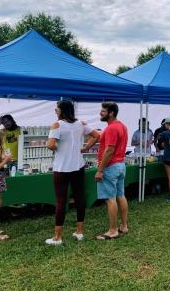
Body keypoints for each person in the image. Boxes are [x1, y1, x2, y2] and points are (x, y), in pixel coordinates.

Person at [45, 100, 100, 246]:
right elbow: (97, 135)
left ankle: (57, 237)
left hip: (62, 168)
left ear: (62, 110)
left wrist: (55, 146)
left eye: (57, 109)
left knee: (61, 201)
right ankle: (79, 232)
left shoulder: (56, 125)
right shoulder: (81, 124)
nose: (55, 111)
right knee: (79, 197)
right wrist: (86, 148)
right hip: (78, 166)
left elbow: (50, 144)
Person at [95, 102, 129, 240]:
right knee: (121, 195)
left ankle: (113, 230)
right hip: (121, 165)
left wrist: (100, 170)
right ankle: (124, 226)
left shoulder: (111, 129)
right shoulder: (122, 126)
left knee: (110, 199)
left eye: (103, 111)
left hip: (110, 167)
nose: (100, 113)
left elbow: (109, 151)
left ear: (111, 113)